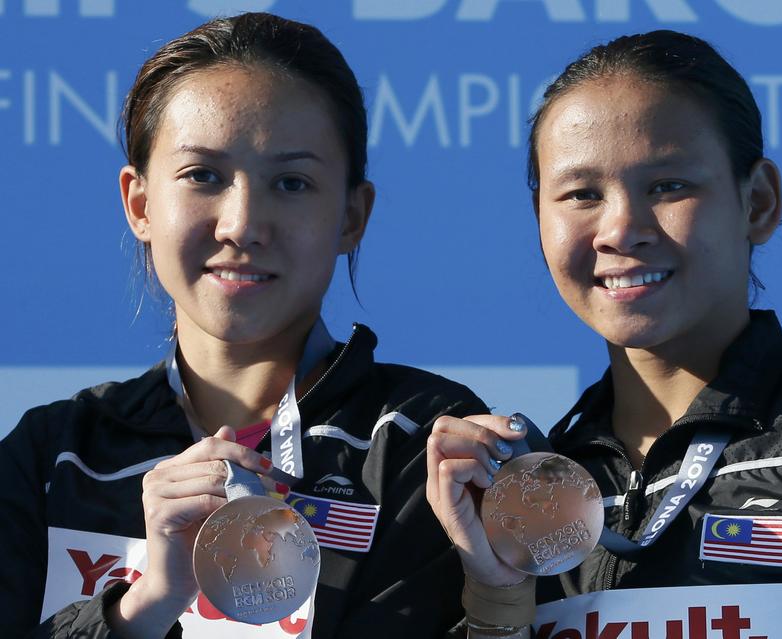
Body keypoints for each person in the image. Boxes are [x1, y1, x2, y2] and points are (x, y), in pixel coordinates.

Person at [1, 12, 487, 639]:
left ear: (351, 217)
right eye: (203, 175)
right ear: (140, 204)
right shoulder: (54, 457)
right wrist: (142, 607)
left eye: (291, 182)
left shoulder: (417, 444)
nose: (241, 224)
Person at [427, 30, 782, 638]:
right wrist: (498, 598)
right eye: (582, 194)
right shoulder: (524, 496)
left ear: (757, 202)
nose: (620, 229)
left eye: (668, 185)